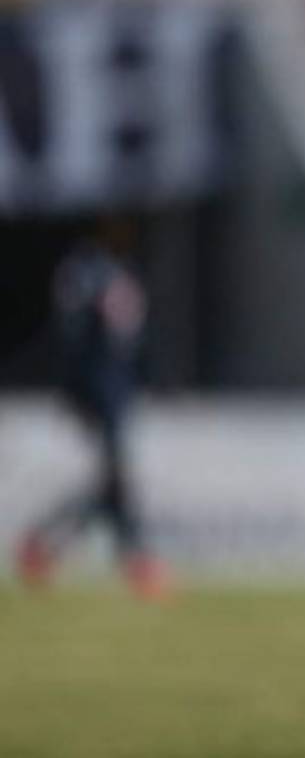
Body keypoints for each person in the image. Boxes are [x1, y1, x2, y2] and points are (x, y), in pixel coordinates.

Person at [14, 225, 169, 600]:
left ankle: (43, 546)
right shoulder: (86, 273)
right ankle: (135, 559)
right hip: (98, 395)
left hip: (115, 395)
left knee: (111, 484)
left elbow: (128, 345)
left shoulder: (123, 272)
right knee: (115, 479)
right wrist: (78, 391)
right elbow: (76, 339)